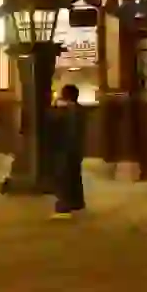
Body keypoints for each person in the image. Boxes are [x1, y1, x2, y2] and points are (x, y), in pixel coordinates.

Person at [49, 84, 87, 219]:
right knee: (75, 176)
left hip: (65, 148)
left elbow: (55, 124)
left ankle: (63, 207)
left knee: (63, 177)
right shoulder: (80, 110)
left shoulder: (65, 111)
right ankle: (77, 203)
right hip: (76, 148)